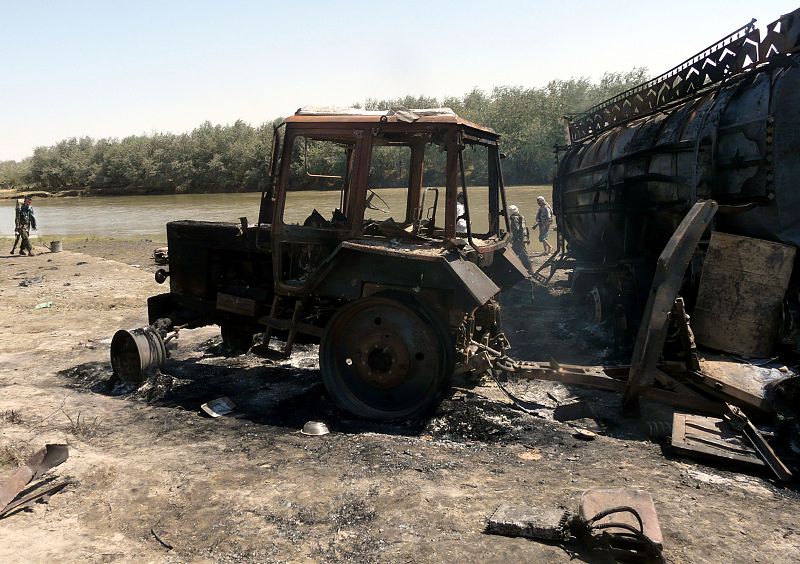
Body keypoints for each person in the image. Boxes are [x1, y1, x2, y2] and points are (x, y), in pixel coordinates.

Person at [508, 205, 532, 272]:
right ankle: (525, 268)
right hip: (523, 237)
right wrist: (528, 238)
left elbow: (516, 229)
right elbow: (526, 228)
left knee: (521, 254)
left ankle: (529, 269)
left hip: (518, 239)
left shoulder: (514, 218)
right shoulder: (521, 216)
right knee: (518, 253)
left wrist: (512, 238)